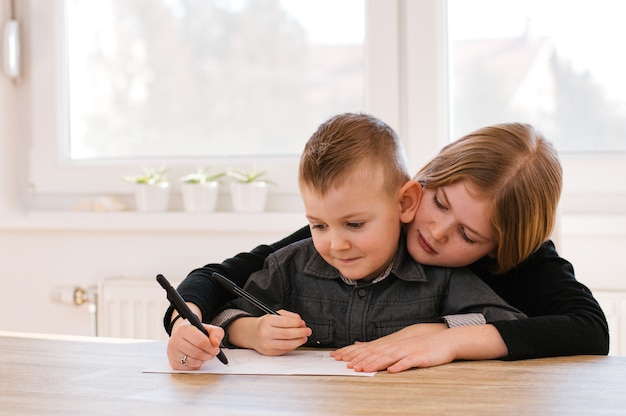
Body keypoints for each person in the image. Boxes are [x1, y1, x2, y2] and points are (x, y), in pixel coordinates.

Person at [164, 121, 609, 372]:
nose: (435, 232)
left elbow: (590, 329)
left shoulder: (523, 259)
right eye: (438, 203)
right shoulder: (360, 229)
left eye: (468, 236)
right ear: (416, 190)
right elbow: (218, 278)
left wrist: (448, 339)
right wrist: (190, 324)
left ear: (500, 248)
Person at [209, 113, 524, 357]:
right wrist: (253, 331)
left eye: (355, 225)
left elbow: (508, 323)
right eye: (319, 225)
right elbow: (222, 311)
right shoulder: (289, 267)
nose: (336, 244)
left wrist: (437, 331)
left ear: (404, 204)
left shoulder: (440, 277)